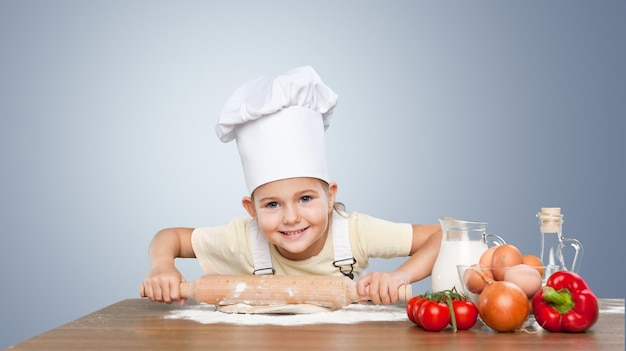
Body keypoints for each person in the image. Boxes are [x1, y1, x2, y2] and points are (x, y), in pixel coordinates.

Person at [141, 66, 441, 306]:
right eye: (272, 204)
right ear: (252, 210)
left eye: (306, 198)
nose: (291, 217)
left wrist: (399, 277)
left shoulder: (354, 233)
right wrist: (162, 268)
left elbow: (443, 235)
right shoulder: (243, 239)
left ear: (330, 196)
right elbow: (169, 237)